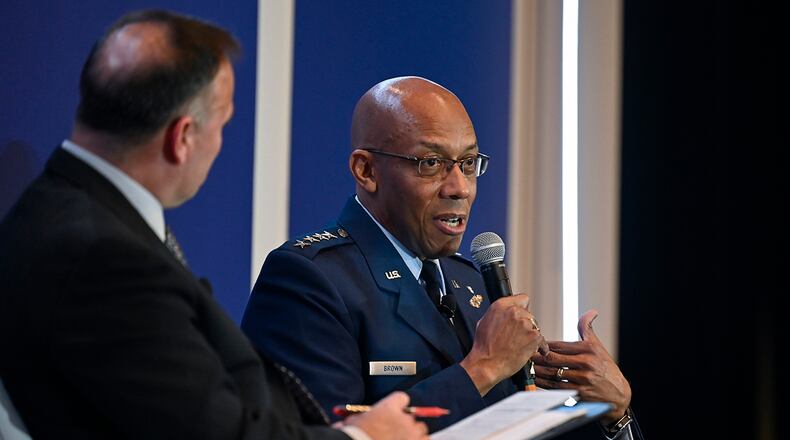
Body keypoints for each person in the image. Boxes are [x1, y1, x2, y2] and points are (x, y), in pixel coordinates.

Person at [0, 10, 427, 440]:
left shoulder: (62, 210)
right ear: (182, 137)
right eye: (223, 123)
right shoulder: (102, 257)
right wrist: (364, 438)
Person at [242, 76, 643, 438]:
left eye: (468, 164)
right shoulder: (307, 279)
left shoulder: (468, 282)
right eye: (431, 163)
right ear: (366, 171)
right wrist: (483, 369)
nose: (460, 188)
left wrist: (615, 413)